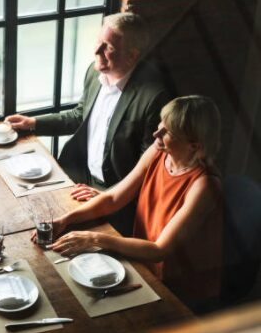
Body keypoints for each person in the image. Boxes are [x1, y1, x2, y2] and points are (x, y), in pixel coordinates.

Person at [42, 96, 223, 310]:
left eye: (168, 132)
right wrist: (64, 220)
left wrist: (95, 238)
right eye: (160, 125)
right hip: (142, 259)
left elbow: (159, 250)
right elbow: (113, 198)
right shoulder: (158, 151)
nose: (157, 134)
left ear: (194, 145)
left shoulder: (205, 186)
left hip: (181, 284)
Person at [6, 13, 172, 235]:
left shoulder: (154, 98)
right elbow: (79, 115)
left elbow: (149, 169)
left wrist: (107, 197)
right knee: (24, 212)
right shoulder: (95, 74)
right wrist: (33, 123)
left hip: (116, 199)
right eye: (98, 42)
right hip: (79, 176)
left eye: (108, 47)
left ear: (132, 56)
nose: (96, 51)